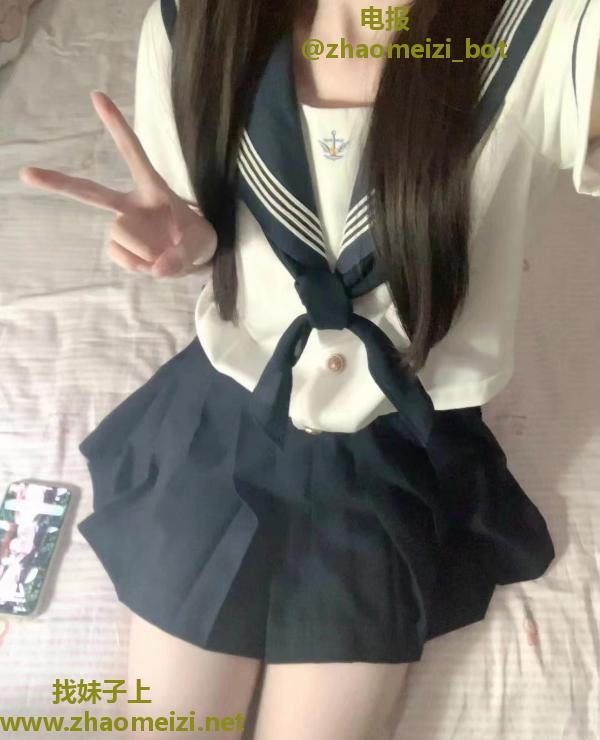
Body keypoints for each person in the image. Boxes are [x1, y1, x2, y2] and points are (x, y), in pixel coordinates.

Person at [20, 0, 600, 738]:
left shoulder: (550, 30)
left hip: (394, 447)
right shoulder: (193, 20)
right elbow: (197, 212)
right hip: (226, 420)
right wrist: (190, 244)